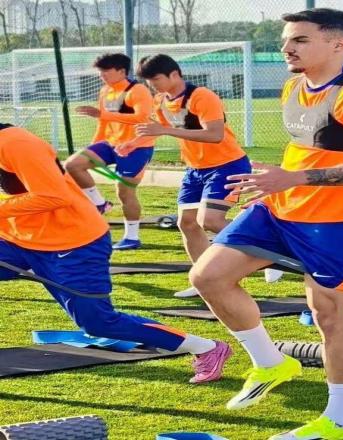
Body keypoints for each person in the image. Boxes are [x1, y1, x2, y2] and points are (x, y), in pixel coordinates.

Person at [189, 9, 343, 440]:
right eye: (286, 40)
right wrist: (273, 182)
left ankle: (337, 422)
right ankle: (271, 362)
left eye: (300, 40)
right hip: (281, 207)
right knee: (207, 276)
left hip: (341, 220)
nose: (286, 48)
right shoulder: (293, 85)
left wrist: (296, 178)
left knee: (330, 316)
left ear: (338, 44)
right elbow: (310, 149)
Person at [0, 124, 232, 384]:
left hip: (73, 243)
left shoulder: (16, 143)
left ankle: (206, 348)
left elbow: (52, 196)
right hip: (16, 238)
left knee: (98, 323)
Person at [125, 54, 281, 297]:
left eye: (155, 79)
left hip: (227, 165)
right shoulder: (161, 100)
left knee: (211, 220)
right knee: (187, 223)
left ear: (174, 74)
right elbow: (157, 130)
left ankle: (272, 250)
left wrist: (166, 130)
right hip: (195, 169)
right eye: (148, 81)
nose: (151, 85)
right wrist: (132, 144)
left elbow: (215, 135)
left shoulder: (202, 96)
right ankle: (204, 280)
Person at [65, 53, 155, 251]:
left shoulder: (138, 90)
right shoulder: (105, 91)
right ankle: (100, 204)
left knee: (124, 192)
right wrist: (93, 146)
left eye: (106, 71)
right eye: (100, 71)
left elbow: (142, 118)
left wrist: (104, 114)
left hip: (137, 147)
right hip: (110, 144)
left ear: (121, 71)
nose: (102, 75)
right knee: (73, 164)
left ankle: (132, 237)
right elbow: (103, 121)